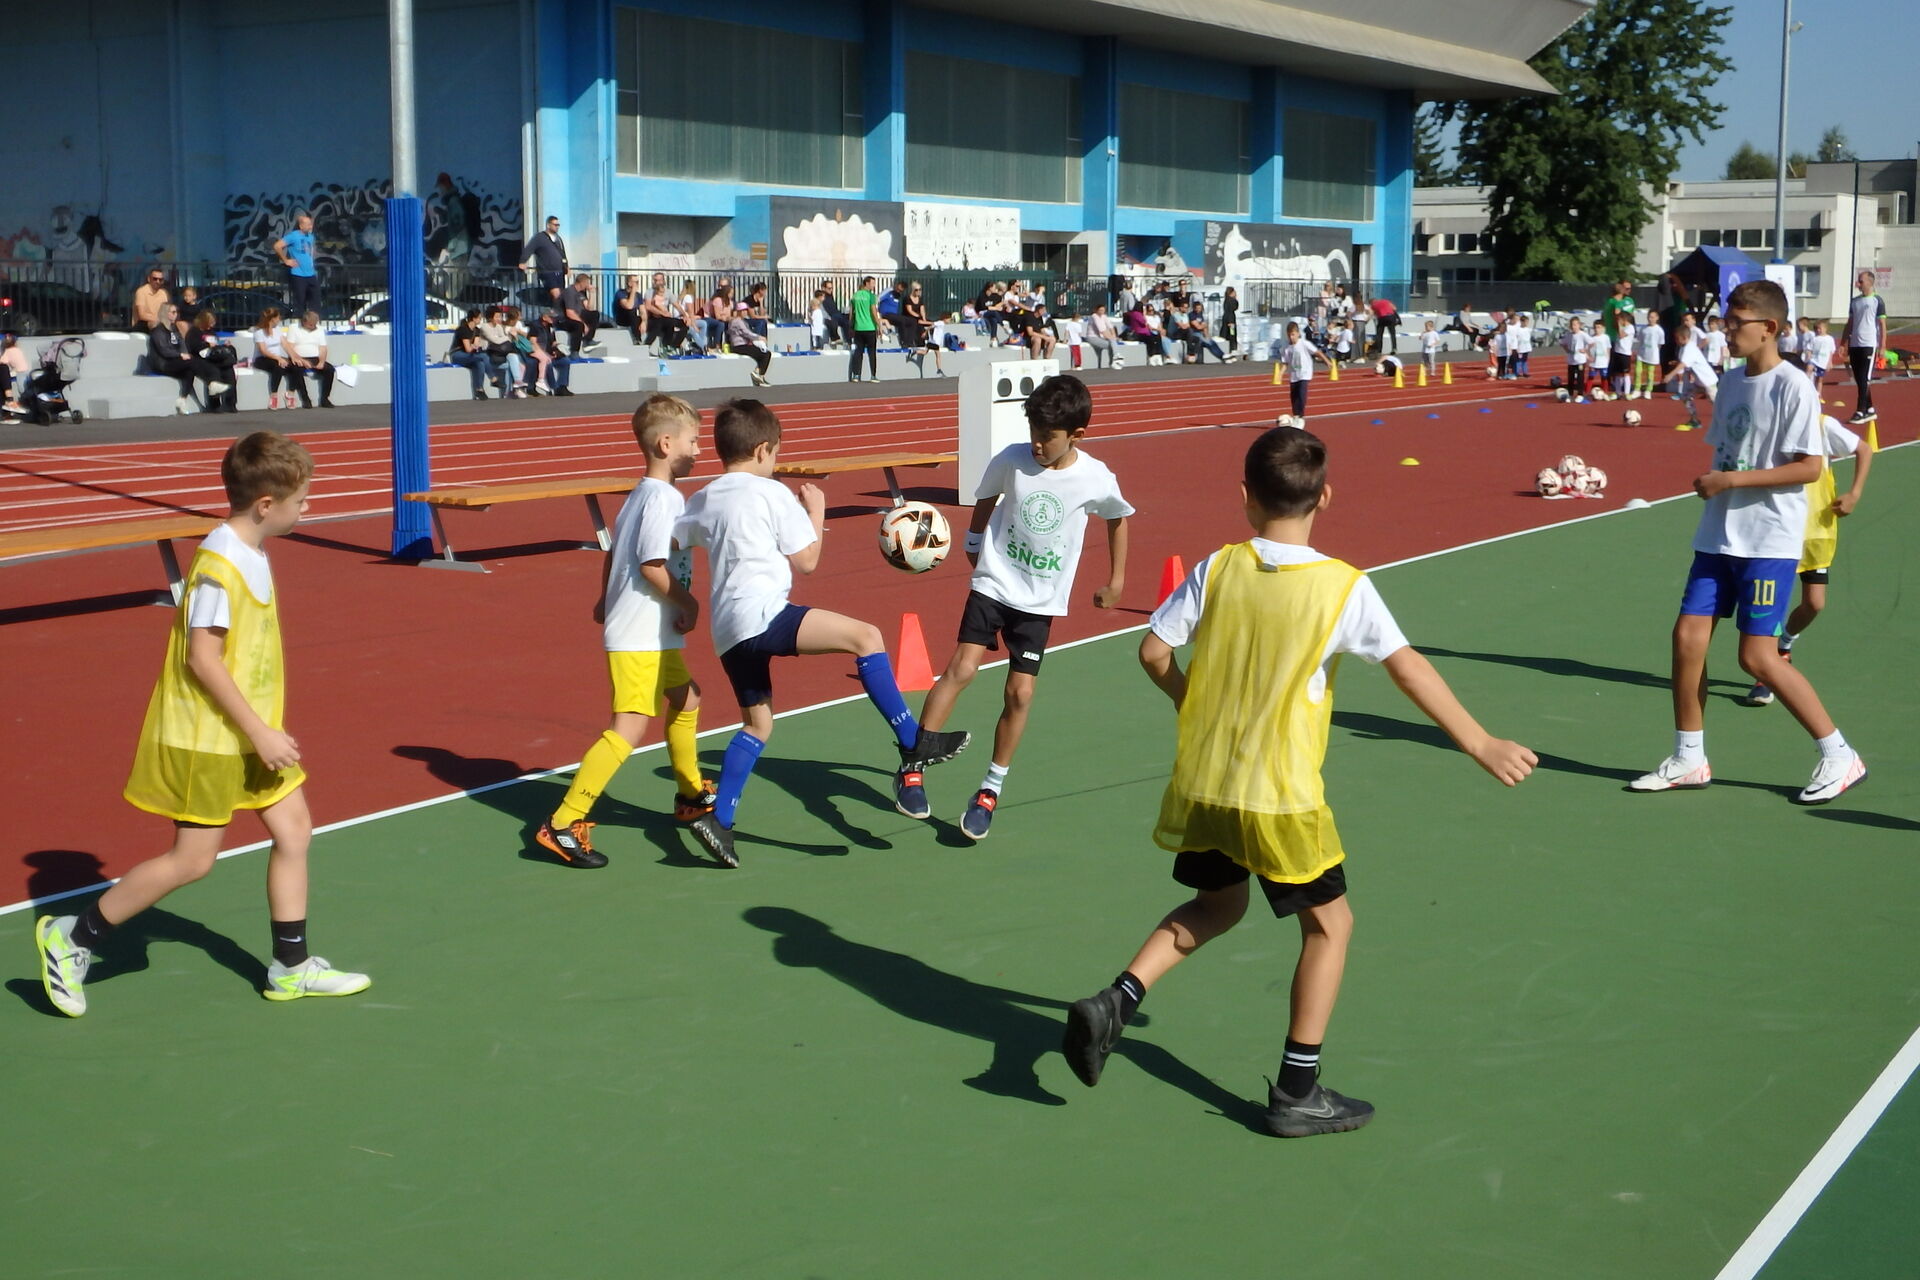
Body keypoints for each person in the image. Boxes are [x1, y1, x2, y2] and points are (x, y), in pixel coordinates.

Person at [1058, 424, 1536, 1135]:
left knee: (1218, 905)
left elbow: (1153, 651)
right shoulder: (1341, 586)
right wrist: (1479, 740)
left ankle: (1118, 999)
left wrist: (1194, 704)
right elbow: (1406, 666)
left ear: (1245, 498)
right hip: (1279, 795)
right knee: (1329, 927)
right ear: (1326, 497)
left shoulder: (1217, 568)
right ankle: (1296, 1090)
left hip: (1210, 782)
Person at [33, 431, 372, 1017]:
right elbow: (202, 658)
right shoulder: (219, 566)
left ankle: (290, 969)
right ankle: (71, 937)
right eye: (302, 499)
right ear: (267, 504)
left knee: (294, 832)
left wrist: (262, 731)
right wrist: (261, 732)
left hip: (247, 736)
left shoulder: (252, 552)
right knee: (192, 860)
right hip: (211, 738)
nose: (308, 507)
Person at [668, 399, 971, 867]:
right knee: (867, 637)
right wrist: (816, 508)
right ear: (764, 449)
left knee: (758, 724)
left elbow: (673, 541)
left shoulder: (704, 496)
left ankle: (720, 822)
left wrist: (678, 597)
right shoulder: (770, 494)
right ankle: (914, 740)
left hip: (727, 631)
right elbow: (807, 560)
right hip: (766, 616)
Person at [1630, 278, 1866, 805]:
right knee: (1687, 641)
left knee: (1758, 659)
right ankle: (1689, 757)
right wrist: (1716, 481)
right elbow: (1730, 453)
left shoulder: (1794, 386)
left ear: (1771, 329)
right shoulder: (1733, 382)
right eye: (1726, 322)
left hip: (1768, 541)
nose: (1727, 331)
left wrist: (1731, 482)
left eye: (1738, 324)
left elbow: (1809, 467)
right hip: (1717, 535)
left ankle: (1839, 754)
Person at [899, 374, 1131, 838]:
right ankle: (912, 767)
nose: (1037, 445)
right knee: (962, 669)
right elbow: (988, 495)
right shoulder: (1013, 459)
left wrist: (1117, 580)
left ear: (1077, 436)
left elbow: (1118, 518)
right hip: (995, 580)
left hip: (1040, 597)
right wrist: (971, 538)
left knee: (1020, 694)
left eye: (1047, 437)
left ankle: (989, 790)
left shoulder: (1096, 477)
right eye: (1034, 434)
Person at [532, 395, 714, 868]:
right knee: (629, 727)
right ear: (665, 442)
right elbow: (651, 565)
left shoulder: (639, 494)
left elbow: (615, 554)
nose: (698, 450)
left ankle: (691, 793)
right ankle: (563, 822)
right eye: (693, 441)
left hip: (651, 631)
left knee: (687, 698)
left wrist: (603, 598)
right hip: (640, 635)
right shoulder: (663, 498)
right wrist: (690, 603)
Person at [1743, 413, 1873, 709]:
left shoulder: (1822, 424)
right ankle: (1765, 675)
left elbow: (1863, 449)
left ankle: (1784, 646)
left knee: (1815, 603)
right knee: (1774, 604)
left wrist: (1854, 493)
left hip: (1816, 532)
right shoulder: (1769, 423)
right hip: (1777, 533)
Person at [149, 302, 230, 414]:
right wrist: (180, 355)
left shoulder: (174, 329)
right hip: (163, 363)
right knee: (193, 362)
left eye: (176, 312)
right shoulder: (158, 331)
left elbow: (182, 343)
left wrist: (184, 353)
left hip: (176, 361)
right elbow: (164, 350)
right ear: (165, 313)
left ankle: (182, 400)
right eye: (173, 312)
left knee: (190, 370)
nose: (176, 314)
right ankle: (212, 383)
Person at [1841, 270, 1885, 428]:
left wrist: (1882, 346)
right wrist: (1843, 342)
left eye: (1861, 281)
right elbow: (1850, 323)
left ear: (1870, 282)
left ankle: (1861, 411)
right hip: (1855, 344)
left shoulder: (1877, 301)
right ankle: (1870, 408)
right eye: (1858, 281)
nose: (1858, 284)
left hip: (1869, 344)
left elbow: (1882, 325)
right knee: (1860, 378)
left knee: (1864, 378)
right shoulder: (1854, 302)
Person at [1277, 321, 1330, 427]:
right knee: (1294, 396)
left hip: (1304, 374)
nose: (1291, 337)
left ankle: (1300, 416)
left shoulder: (1304, 343)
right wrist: (1280, 374)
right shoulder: (1286, 348)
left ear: (1298, 333)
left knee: (1302, 394)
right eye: (1289, 335)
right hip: (1293, 375)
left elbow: (1317, 352)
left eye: (1293, 334)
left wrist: (1327, 361)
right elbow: (1285, 363)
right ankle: (1296, 416)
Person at [187, 310, 239, 413]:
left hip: (214, 356)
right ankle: (214, 405)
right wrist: (207, 345)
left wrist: (224, 344)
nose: (212, 325)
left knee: (229, 372)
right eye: (210, 322)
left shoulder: (211, 332)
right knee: (214, 371)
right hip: (201, 359)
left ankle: (230, 403)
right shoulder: (194, 332)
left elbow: (216, 344)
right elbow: (193, 347)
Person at [273, 212, 321, 321]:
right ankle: (299, 321)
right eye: (308, 224)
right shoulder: (293, 236)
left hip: (311, 273)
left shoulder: (310, 237)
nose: (310, 226)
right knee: (300, 300)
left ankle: (315, 321)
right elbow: (277, 246)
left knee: (316, 299)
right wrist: (285, 260)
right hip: (298, 273)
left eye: (311, 224)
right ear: (301, 225)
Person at [284, 310, 336, 408]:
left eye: (315, 325)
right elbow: (289, 347)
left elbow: (323, 348)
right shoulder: (294, 328)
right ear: (304, 322)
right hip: (297, 357)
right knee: (297, 370)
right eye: (311, 325)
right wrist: (301, 360)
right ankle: (305, 399)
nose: (313, 327)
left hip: (314, 357)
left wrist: (321, 361)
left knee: (329, 370)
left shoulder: (319, 330)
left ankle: (325, 399)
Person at [551, 273, 603, 358]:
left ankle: (588, 340)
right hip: (563, 319)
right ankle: (574, 352)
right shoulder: (570, 292)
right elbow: (569, 313)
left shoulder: (581, 293)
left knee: (594, 314)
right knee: (578, 325)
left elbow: (589, 308)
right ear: (582, 282)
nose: (587, 285)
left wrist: (592, 293)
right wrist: (584, 324)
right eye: (587, 283)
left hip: (575, 315)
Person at [900, 282, 945, 377]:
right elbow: (910, 310)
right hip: (909, 318)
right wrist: (918, 317)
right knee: (917, 324)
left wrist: (924, 318)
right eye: (916, 290)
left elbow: (922, 310)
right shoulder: (907, 299)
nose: (919, 291)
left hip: (919, 318)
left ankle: (927, 341)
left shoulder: (920, 299)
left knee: (929, 322)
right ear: (912, 290)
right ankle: (915, 343)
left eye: (920, 289)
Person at [476, 305, 524, 397]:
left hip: (499, 354)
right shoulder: (484, 327)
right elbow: (496, 341)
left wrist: (502, 338)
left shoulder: (498, 327)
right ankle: (513, 390)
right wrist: (504, 338)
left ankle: (515, 385)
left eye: (500, 316)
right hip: (489, 357)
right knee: (512, 364)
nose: (499, 319)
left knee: (512, 357)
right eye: (497, 316)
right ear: (490, 317)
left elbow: (505, 340)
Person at [448, 307, 495, 400]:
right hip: (458, 355)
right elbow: (468, 349)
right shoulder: (463, 329)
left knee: (480, 363)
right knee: (483, 356)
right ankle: (493, 378)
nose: (480, 320)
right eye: (479, 318)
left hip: (469, 356)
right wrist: (473, 346)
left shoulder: (476, 330)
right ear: (474, 318)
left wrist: (476, 346)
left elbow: (476, 344)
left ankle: (479, 390)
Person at [522, 215, 568, 303]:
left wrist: (566, 266)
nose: (557, 227)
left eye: (558, 225)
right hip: (547, 271)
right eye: (555, 225)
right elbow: (529, 249)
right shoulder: (539, 237)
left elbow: (563, 254)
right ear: (548, 225)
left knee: (561, 295)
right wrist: (523, 261)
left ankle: (557, 312)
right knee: (556, 294)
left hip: (559, 271)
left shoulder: (558, 239)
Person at [727, 302, 772, 388]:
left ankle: (759, 375)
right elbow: (747, 333)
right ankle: (758, 375)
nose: (745, 312)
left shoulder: (742, 321)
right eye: (742, 311)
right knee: (765, 354)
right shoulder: (737, 321)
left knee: (765, 353)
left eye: (746, 311)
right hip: (739, 346)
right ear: (739, 311)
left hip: (744, 345)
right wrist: (759, 337)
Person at [641, 272, 686, 355]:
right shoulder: (650, 292)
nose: (657, 282)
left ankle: (672, 346)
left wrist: (684, 315)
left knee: (683, 324)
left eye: (659, 280)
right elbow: (648, 306)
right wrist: (662, 313)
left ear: (663, 281)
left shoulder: (668, 292)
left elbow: (676, 304)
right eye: (655, 280)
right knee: (660, 325)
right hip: (654, 318)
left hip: (665, 318)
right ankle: (646, 347)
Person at [848, 275, 880, 383]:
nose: (874, 285)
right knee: (872, 353)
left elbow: (851, 312)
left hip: (858, 328)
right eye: (872, 283)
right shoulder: (871, 296)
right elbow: (873, 311)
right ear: (867, 283)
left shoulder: (855, 295)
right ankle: (873, 375)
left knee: (858, 352)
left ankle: (856, 375)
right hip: (870, 327)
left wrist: (851, 326)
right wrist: (879, 324)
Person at [1633, 309, 1664, 400]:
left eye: (1653, 317)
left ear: (1657, 318)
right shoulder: (1643, 329)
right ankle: (1637, 390)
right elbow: (1640, 340)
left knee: (1650, 374)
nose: (1651, 319)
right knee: (1638, 372)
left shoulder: (1659, 330)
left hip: (1652, 355)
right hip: (1642, 354)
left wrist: (1655, 352)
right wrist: (1638, 351)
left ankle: (1648, 390)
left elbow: (1660, 344)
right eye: (1649, 317)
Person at [130, 268, 170, 333]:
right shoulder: (141, 292)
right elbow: (142, 315)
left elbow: (166, 312)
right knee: (155, 324)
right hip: (142, 324)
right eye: (155, 279)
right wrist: (160, 320)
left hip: (159, 322)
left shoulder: (163, 293)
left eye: (160, 280)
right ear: (149, 279)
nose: (158, 281)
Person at [1083, 303, 1120, 369]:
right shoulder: (1094, 316)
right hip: (1092, 337)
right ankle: (1114, 358)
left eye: (1103, 310)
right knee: (1110, 344)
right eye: (1100, 310)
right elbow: (1101, 330)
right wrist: (1111, 337)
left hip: (1100, 337)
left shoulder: (1104, 316)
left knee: (1112, 342)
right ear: (1096, 310)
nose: (1101, 312)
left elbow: (1110, 326)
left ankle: (1114, 358)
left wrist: (1113, 336)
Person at [1804, 319, 1836, 387]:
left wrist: (1830, 362)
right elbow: (1809, 348)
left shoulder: (1829, 339)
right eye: (1816, 329)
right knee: (1809, 368)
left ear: (1825, 328)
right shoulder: (1814, 338)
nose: (1818, 330)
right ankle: (1805, 383)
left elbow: (1831, 351)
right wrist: (1809, 356)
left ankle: (1818, 394)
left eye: (1820, 328)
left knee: (1819, 380)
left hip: (1823, 361)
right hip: (1814, 359)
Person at [817, 280, 849, 347]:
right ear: (823, 288)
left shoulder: (830, 296)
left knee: (848, 319)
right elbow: (822, 309)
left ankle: (850, 340)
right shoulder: (821, 296)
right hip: (830, 316)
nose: (831, 290)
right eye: (829, 288)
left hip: (836, 314)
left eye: (831, 288)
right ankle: (836, 338)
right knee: (834, 321)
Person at [1220, 286, 1239, 351]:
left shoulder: (1226, 300)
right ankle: (1232, 349)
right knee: (1232, 335)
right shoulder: (1232, 300)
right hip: (1231, 321)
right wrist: (1231, 322)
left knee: (1225, 334)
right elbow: (1233, 309)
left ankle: (1226, 349)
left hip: (1226, 319)